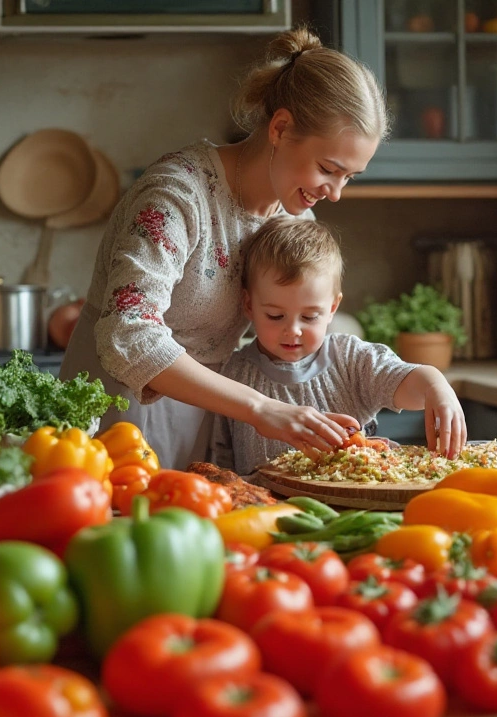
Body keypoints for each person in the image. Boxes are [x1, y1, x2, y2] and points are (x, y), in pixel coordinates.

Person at [59, 26, 388, 469]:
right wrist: (261, 408)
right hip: (116, 418)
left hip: (206, 417)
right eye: (329, 169)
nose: (336, 193)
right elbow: (128, 335)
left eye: (350, 176)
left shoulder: (293, 219)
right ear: (280, 127)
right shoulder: (177, 196)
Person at [212, 216, 467, 475]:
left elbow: (405, 382)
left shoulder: (352, 359)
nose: (293, 330)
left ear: (332, 307)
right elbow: (221, 461)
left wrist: (435, 384)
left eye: (310, 317)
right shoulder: (233, 375)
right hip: (266, 510)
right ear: (248, 305)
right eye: (275, 316)